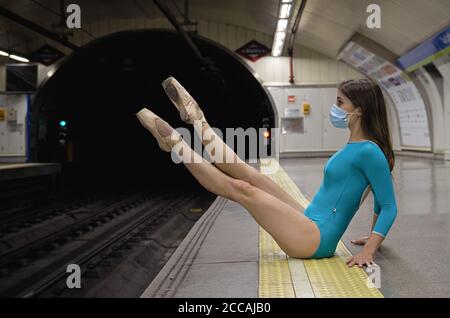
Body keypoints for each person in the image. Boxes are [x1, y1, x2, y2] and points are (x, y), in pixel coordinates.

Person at [136, 77, 397, 268]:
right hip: (309, 218)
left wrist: (370, 251)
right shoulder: (354, 147)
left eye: (340, 102)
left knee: (244, 190)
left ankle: (175, 144)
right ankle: (197, 119)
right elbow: (376, 203)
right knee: (253, 176)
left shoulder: (369, 152)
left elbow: (388, 206)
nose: (335, 107)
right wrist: (373, 238)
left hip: (314, 240)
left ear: (359, 111)